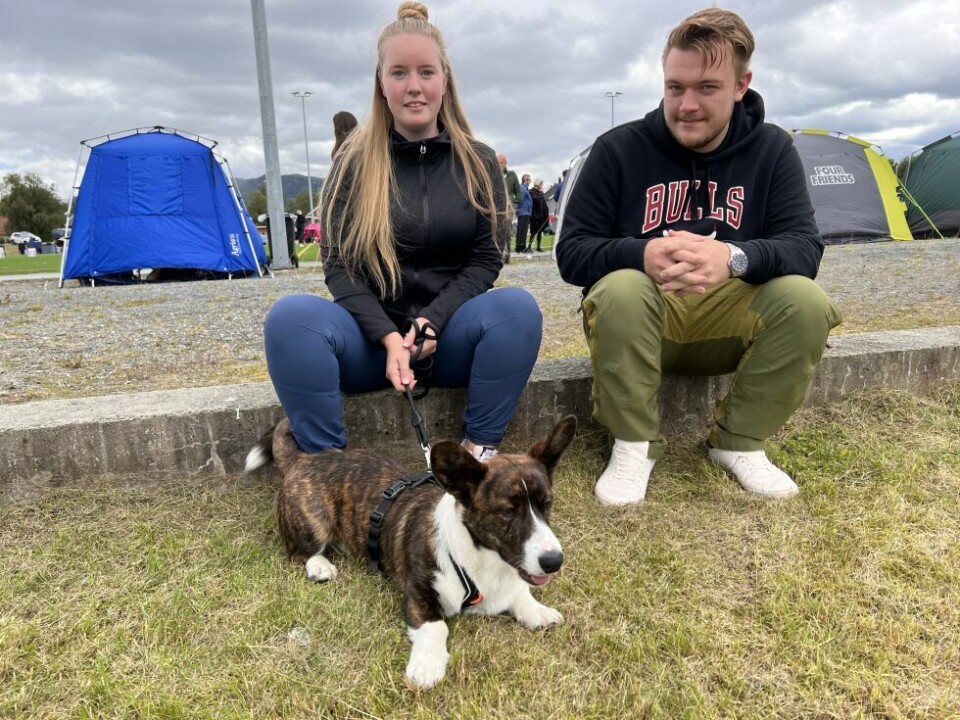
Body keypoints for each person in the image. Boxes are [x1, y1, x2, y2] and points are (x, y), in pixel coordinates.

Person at [556, 7, 841, 505]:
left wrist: (732, 257)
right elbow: (571, 253)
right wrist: (640, 254)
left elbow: (804, 247)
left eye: (706, 88)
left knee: (805, 299)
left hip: (725, 319)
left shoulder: (772, 150)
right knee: (621, 287)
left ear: (740, 84)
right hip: (644, 321)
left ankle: (740, 443)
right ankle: (633, 444)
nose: (686, 104)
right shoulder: (617, 150)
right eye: (674, 87)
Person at [262, 1, 540, 462]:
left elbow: (486, 260)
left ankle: (477, 457)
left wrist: (434, 319)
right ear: (381, 84)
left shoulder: (480, 161)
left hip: (447, 340)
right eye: (399, 73)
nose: (414, 87)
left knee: (517, 309)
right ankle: (327, 473)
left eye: (426, 72)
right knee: (290, 318)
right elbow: (339, 266)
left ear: (444, 81)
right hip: (370, 346)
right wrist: (388, 337)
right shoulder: (350, 163)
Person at [529, 178, 550, 252]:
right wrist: (541, 193)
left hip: (542, 215)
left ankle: (538, 247)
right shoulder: (531, 191)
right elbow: (536, 199)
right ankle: (529, 247)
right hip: (535, 215)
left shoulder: (540, 192)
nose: (542, 185)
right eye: (541, 184)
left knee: (540, 232)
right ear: (538, 184)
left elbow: (544, 203)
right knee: (533, 232)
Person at [516, 173, 533, 253]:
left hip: (524, 212)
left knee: (521, 230)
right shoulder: (523, 188)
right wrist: (517, 210)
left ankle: (519, 247)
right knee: (523, 231)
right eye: (529, 179)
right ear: (525, 180)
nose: (530, 181)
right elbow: (520, 200)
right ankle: (522, 248)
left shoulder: (524, 188)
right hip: (523, 212)